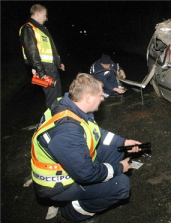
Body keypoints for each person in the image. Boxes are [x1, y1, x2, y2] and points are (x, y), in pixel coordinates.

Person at [30, 73, 142, 222]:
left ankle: (93, 190)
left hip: (73, 164)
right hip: (58, 185)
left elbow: (95, 132)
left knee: (118, 151)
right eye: (100, 95)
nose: (103, 98)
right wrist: (119, 168)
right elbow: (86, 174)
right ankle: (69, 214)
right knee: (121, 185)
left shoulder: (68, 105)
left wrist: (124, 142)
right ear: (88, 97)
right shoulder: (67, 131)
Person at [19, 4, 65, 109]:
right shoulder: (28, 28)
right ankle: (53, 121)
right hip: (44, 68)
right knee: (52, 98)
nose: (46, 18)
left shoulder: (41, 29)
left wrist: (59, 63)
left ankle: (59, 117)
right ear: (37, 14)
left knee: (58, 95)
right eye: (45, 15)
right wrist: (40, 72)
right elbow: (32, 53)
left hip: (51, 67)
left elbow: (50, 48)